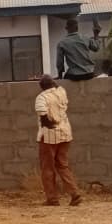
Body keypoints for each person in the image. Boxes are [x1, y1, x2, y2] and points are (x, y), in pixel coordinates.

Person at [35, 75, 82, 207]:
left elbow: (43, 115)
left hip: (49, 136)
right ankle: (74, 193)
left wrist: (50, 125)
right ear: (53, 83)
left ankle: (52, 199)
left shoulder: (41, 97)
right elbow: (56, 86)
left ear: (41, 87)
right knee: (62, 165)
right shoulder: (61, 92)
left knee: (47, 168)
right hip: (65, 133)